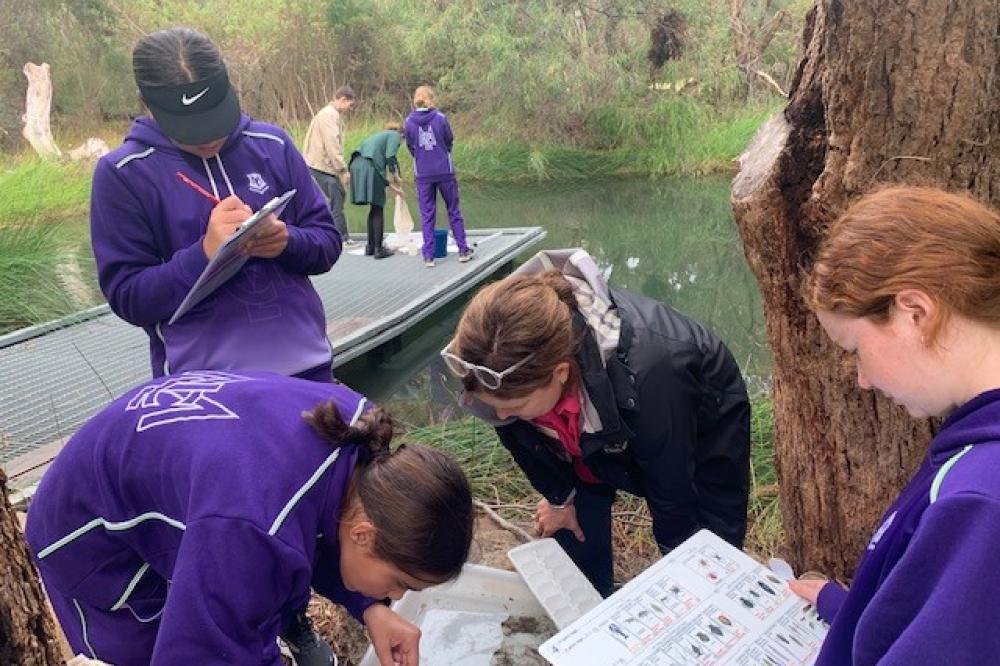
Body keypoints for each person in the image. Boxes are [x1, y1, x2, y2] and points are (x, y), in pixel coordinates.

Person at [25, 370, 474, 666]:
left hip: (193, 493)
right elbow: (197, 655)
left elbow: (313, 518)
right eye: (400, 584)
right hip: (88, 535)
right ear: (364, 534)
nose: (396, 596)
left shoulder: (359, 436)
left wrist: (369, 607)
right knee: (146, 652)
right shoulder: (251, 530)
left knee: (229, 602)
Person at [443, 248, 750, 596]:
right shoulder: (497, 369)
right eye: (493, 407)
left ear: (560, 373)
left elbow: (671, 486)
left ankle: (713, 596)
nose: (500, 415)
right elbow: (520, 438)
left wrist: (681, 565)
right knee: (574, 516)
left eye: (514, 406)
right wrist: (560, 498)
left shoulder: (654, 371)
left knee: (708, 550)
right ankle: (593, 600)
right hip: (595, 419)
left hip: (696, 417)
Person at [789, 186, 1000, 663]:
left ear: (915, 313)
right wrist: (848, 606)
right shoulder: (974, 453)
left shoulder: (979, 502)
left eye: (855, 349)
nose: (862, 379)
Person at [90, 28, 341, 383]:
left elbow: (328, 242)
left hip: (308, 367)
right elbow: (129, 297)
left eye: (214, 117)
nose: (208, 136)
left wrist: (287, 242)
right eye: (189, 127)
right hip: (203, 389)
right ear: (147, 104)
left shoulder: (272, 145)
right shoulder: (124, 174)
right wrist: (205, 253)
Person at [403, 86, 472, 268]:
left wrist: (421, 157)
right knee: (453, 210)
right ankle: (463, 250)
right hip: (444, 170)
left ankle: (428, 256)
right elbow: (449, 140)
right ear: (431, 100)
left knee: (427, 215)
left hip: (423, 173)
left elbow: (410, 146)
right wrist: (441, 153)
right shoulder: (440, 118)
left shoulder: (408, 122)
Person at [303, 85, 358, 246]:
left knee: (337, 197)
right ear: (342, 100)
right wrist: (343, 169)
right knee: (336, 200)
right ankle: (341, 238)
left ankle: (337, 236)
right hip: (321, 166)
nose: (350, 108)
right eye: (350, 104)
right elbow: (332, 144)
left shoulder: (328, 114)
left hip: (320, 166)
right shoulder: (329, 115)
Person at [348, 124, 405, 259]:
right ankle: (379, 250)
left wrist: (395, 180)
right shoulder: (395, 135)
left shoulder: (380, 136)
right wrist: (395, 177)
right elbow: (391, 156)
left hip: (357, 165)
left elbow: (391, 160)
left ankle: (370, 247)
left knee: (374, 207)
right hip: (369, 167)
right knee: (378, 206)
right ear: (403, 136)